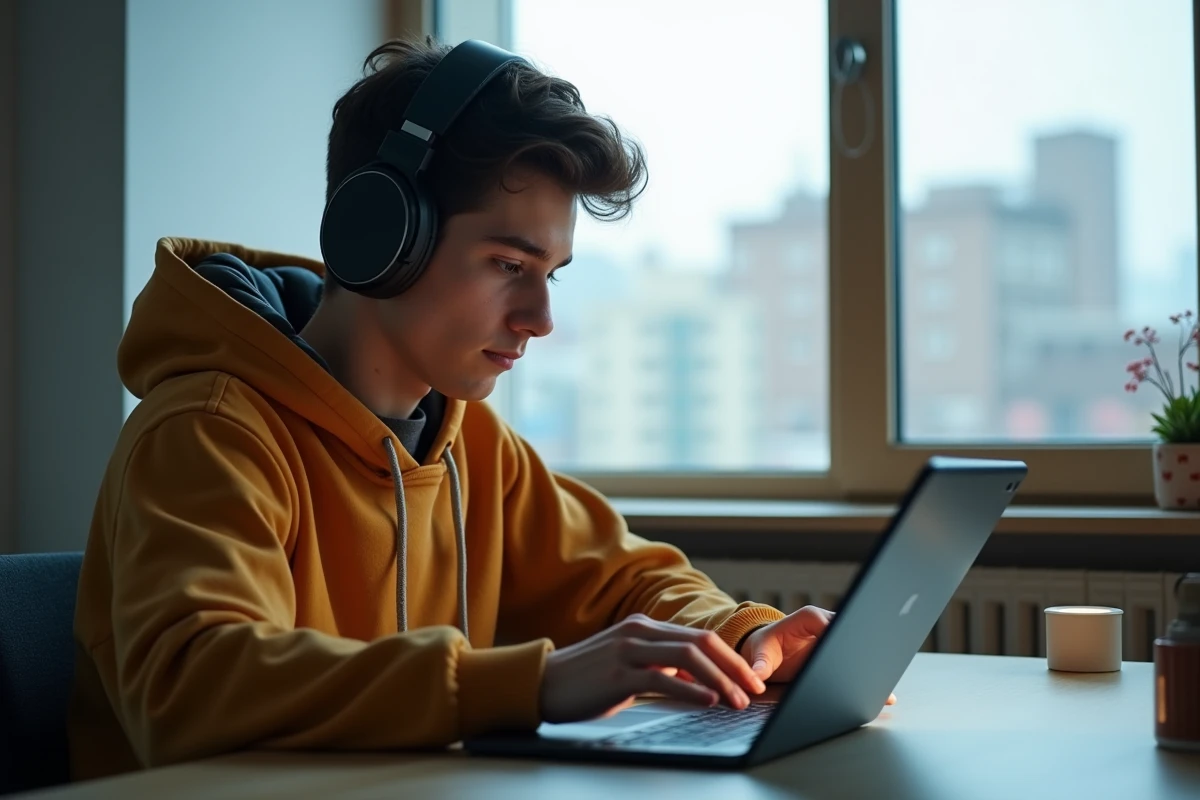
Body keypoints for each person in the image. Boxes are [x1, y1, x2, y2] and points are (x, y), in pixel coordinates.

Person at [68, 35, 866, 782]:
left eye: (549, 273)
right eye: (507, 263)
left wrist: (742, 640)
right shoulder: (208, 432)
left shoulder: (467, 441)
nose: (538, 318)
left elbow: (626, 582)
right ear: (379, 236)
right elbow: (198, 688)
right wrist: (532, 683)